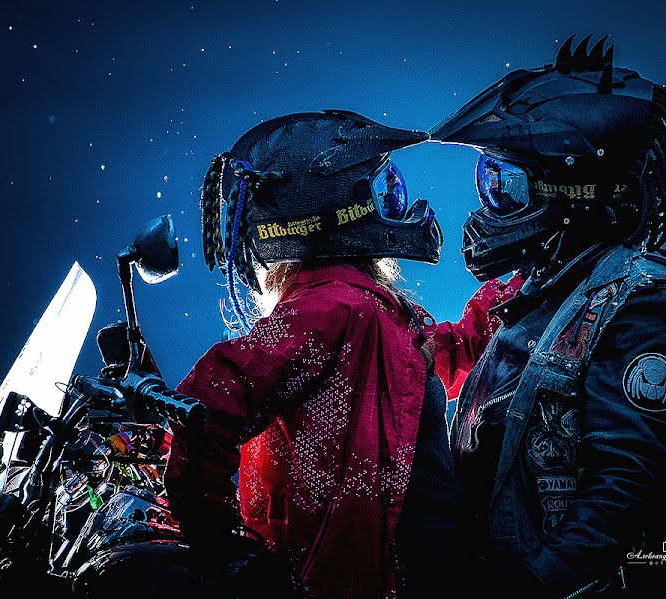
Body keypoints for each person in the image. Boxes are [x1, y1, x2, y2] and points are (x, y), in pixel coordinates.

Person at [164, 110, 519, 598]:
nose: (400, 204)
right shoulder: (338, 308)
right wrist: (222, 550)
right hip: (386, 579)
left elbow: (447, 357)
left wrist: (524, 286)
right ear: (336, 208)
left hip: (406, 570)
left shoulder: (366, 311)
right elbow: (210, 402)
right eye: (384, 191)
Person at [428, 35, 666, 597]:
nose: (488, 204)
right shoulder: (537, 296)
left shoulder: (646, 303)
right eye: (486, 180)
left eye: (505, 184)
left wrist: (527, 585)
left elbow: (630, 486)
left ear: (572, 190)